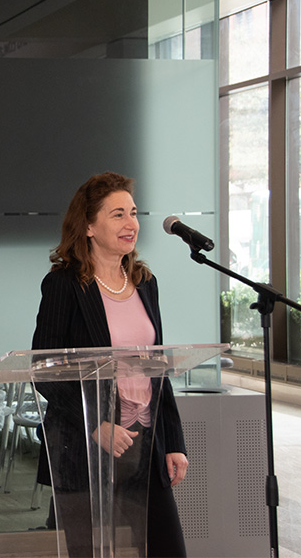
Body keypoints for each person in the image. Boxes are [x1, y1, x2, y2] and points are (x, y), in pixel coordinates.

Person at [32, 172, 188, 557]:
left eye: (133, 213)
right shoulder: (64, 285)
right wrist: (95, 424)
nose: (131, 223)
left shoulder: (144, 282)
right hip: (87, 446)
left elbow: (157, 369)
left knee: (167, 549)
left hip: (145, 441)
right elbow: (46, 370)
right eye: (117, 214)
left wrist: (173, 442)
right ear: (88, 225)